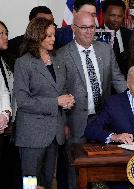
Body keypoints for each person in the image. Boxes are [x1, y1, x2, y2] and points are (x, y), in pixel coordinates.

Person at [57, 11, 126, 189]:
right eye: (84, 27)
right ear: (73, 29)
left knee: (103, 169)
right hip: (75, 122)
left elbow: (117, 79)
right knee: (76, 170)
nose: (89, 31)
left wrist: (133, 100)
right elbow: (60, 91)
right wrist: (63, 123)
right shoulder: (63, 55)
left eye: (93, 27)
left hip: (103, 120)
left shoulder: (105, 49)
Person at [13, 17, 75, 189]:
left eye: (53, 35)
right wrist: (56, 101)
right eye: (48, 36)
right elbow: (23, 101)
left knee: (48, 182)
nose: (53, 39)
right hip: (32, 134)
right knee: (31, 183)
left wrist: (67, 100)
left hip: (54, 133)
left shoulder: (58, 60)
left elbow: (60, 90)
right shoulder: (23, 63)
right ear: (36, 36)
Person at [0, 20, 12, 185]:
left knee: (9, 173)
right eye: (1, 34)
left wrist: (5, 114)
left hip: (8, 127)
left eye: (6, 33)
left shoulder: (8, 60)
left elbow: (4, 91)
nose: (5, 37)